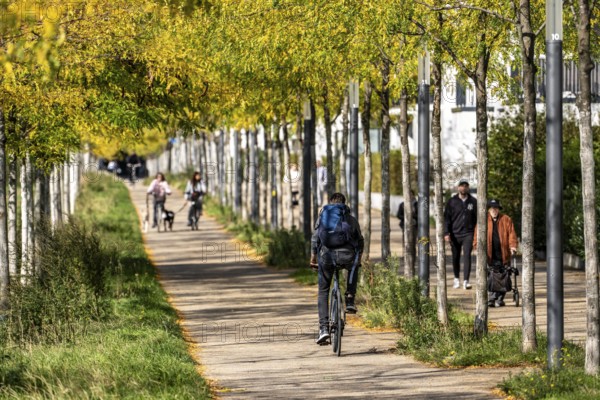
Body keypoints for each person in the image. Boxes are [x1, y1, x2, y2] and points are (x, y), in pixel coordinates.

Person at [310, 193, 364, 345]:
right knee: (353, 267)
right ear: (344, 204)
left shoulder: (323, 217)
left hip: (327, 257)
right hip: (347, 256)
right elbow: (360, 241)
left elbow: (315, 239)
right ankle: (350, 299)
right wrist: (357, 260)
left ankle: (323, 329)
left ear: (330, 203)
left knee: (323, 291)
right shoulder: (351, 219)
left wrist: (313, 258)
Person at [473, 199, 518, 307]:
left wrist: (513, 246)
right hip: (489, 254)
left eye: (496, 208)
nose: (494, 210)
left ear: (498, 209)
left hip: (503, 253)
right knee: (492, 275)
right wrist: (476, 247)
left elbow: (512, 234)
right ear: (488, 209)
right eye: (492, 208)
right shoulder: (483, 220)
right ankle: (492, 298)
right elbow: (477, 235)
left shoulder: (506, 219)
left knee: (504, 274)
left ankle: (500, 299)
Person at [444, 179, 477, 290]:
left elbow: (477, 219)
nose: (463, 188)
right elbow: (447, 219)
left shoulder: (473, 201)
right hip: (454, 234)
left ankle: (466, 281)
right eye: (461, 186)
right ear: (458, 188)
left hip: (468, 233)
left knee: (467, 256)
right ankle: (456, 279)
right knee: (456, 257)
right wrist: (446, 233)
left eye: (465, 186)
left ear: (468, 188)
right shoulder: (452, 202)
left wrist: (476, 234)